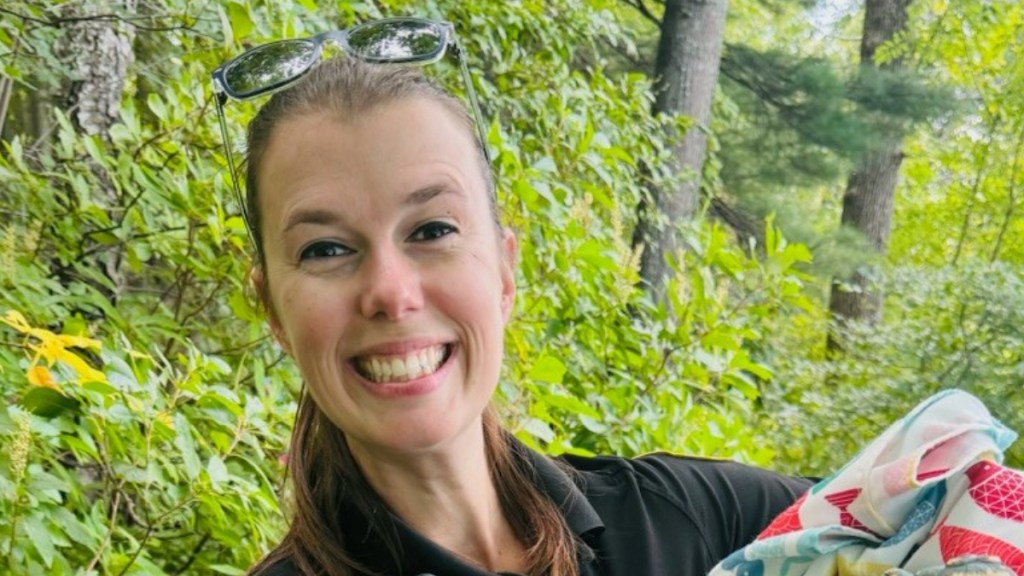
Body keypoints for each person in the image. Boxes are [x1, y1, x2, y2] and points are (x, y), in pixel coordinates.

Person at [212, 18, 812, 576]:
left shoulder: (694, 521)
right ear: (274, 313)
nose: (390, 294)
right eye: (325, 249)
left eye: (432, 230)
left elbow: (898, 509)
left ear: (504, 271)